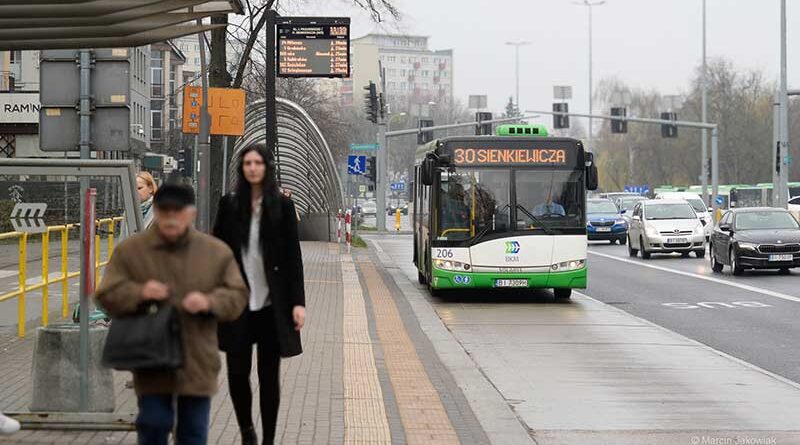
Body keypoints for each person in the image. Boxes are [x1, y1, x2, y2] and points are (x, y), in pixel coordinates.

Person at [95, 183, 248, 445]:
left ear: (191, 213)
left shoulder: (214, 252)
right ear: (156, 211)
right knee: (154, 425)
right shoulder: (132, 250)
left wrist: (209, 301)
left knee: (193, 433)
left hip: (197, 359)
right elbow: (106, 294)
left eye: (179, 211)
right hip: (150, 358)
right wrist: (139, 293)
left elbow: (237, 296)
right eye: (165, 211)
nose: (171, 218)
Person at [213, 143, 306, 445]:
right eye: (247, 163)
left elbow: (293, 257)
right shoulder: (229, 205)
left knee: (269, 377)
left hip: (271, 305)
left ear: (267, 167)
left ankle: (268, 439)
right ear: (242, 168)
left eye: (258, 163)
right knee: (237, 374)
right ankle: (246, 431)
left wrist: (298, 303)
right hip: (237, 303)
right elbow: (218, 251)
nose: (252, 167)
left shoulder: (282, 206)